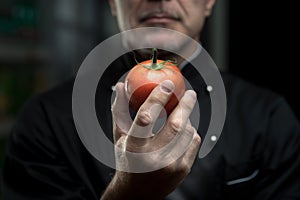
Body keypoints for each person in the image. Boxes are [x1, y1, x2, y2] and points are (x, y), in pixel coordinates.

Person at [2, 0, 300, 199]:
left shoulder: (269, 117)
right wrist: (128, 193)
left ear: (209, 2)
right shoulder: (46, 119)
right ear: (112, 3)